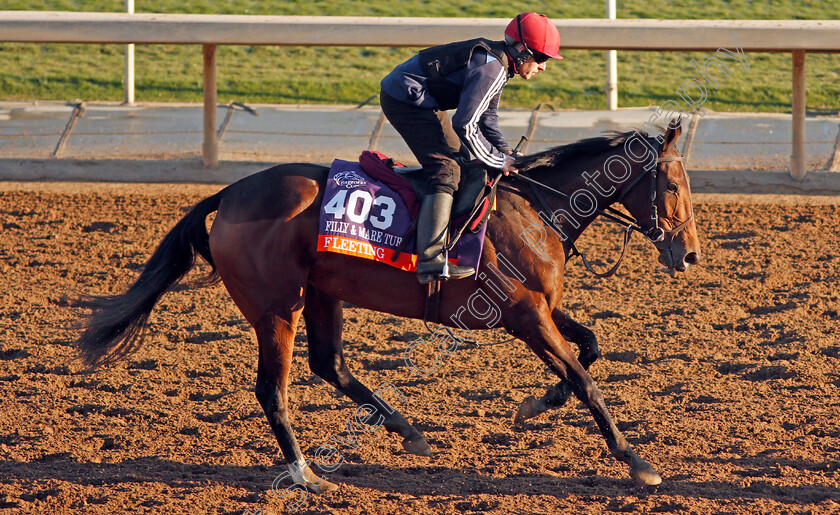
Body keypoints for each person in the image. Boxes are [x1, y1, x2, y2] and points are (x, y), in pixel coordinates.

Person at [380, 12, 563, 284]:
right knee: (447, 170)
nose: (544, 67)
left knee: (468, 163)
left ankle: (454, 240)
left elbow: (487, 117)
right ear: (523, 51)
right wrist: (499, 161)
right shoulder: (492, 67)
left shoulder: (501, 62)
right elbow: (465, 124)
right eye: (542, 58)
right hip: (404, 99)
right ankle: (430, 260)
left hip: (426, 101)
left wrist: (504, 151)